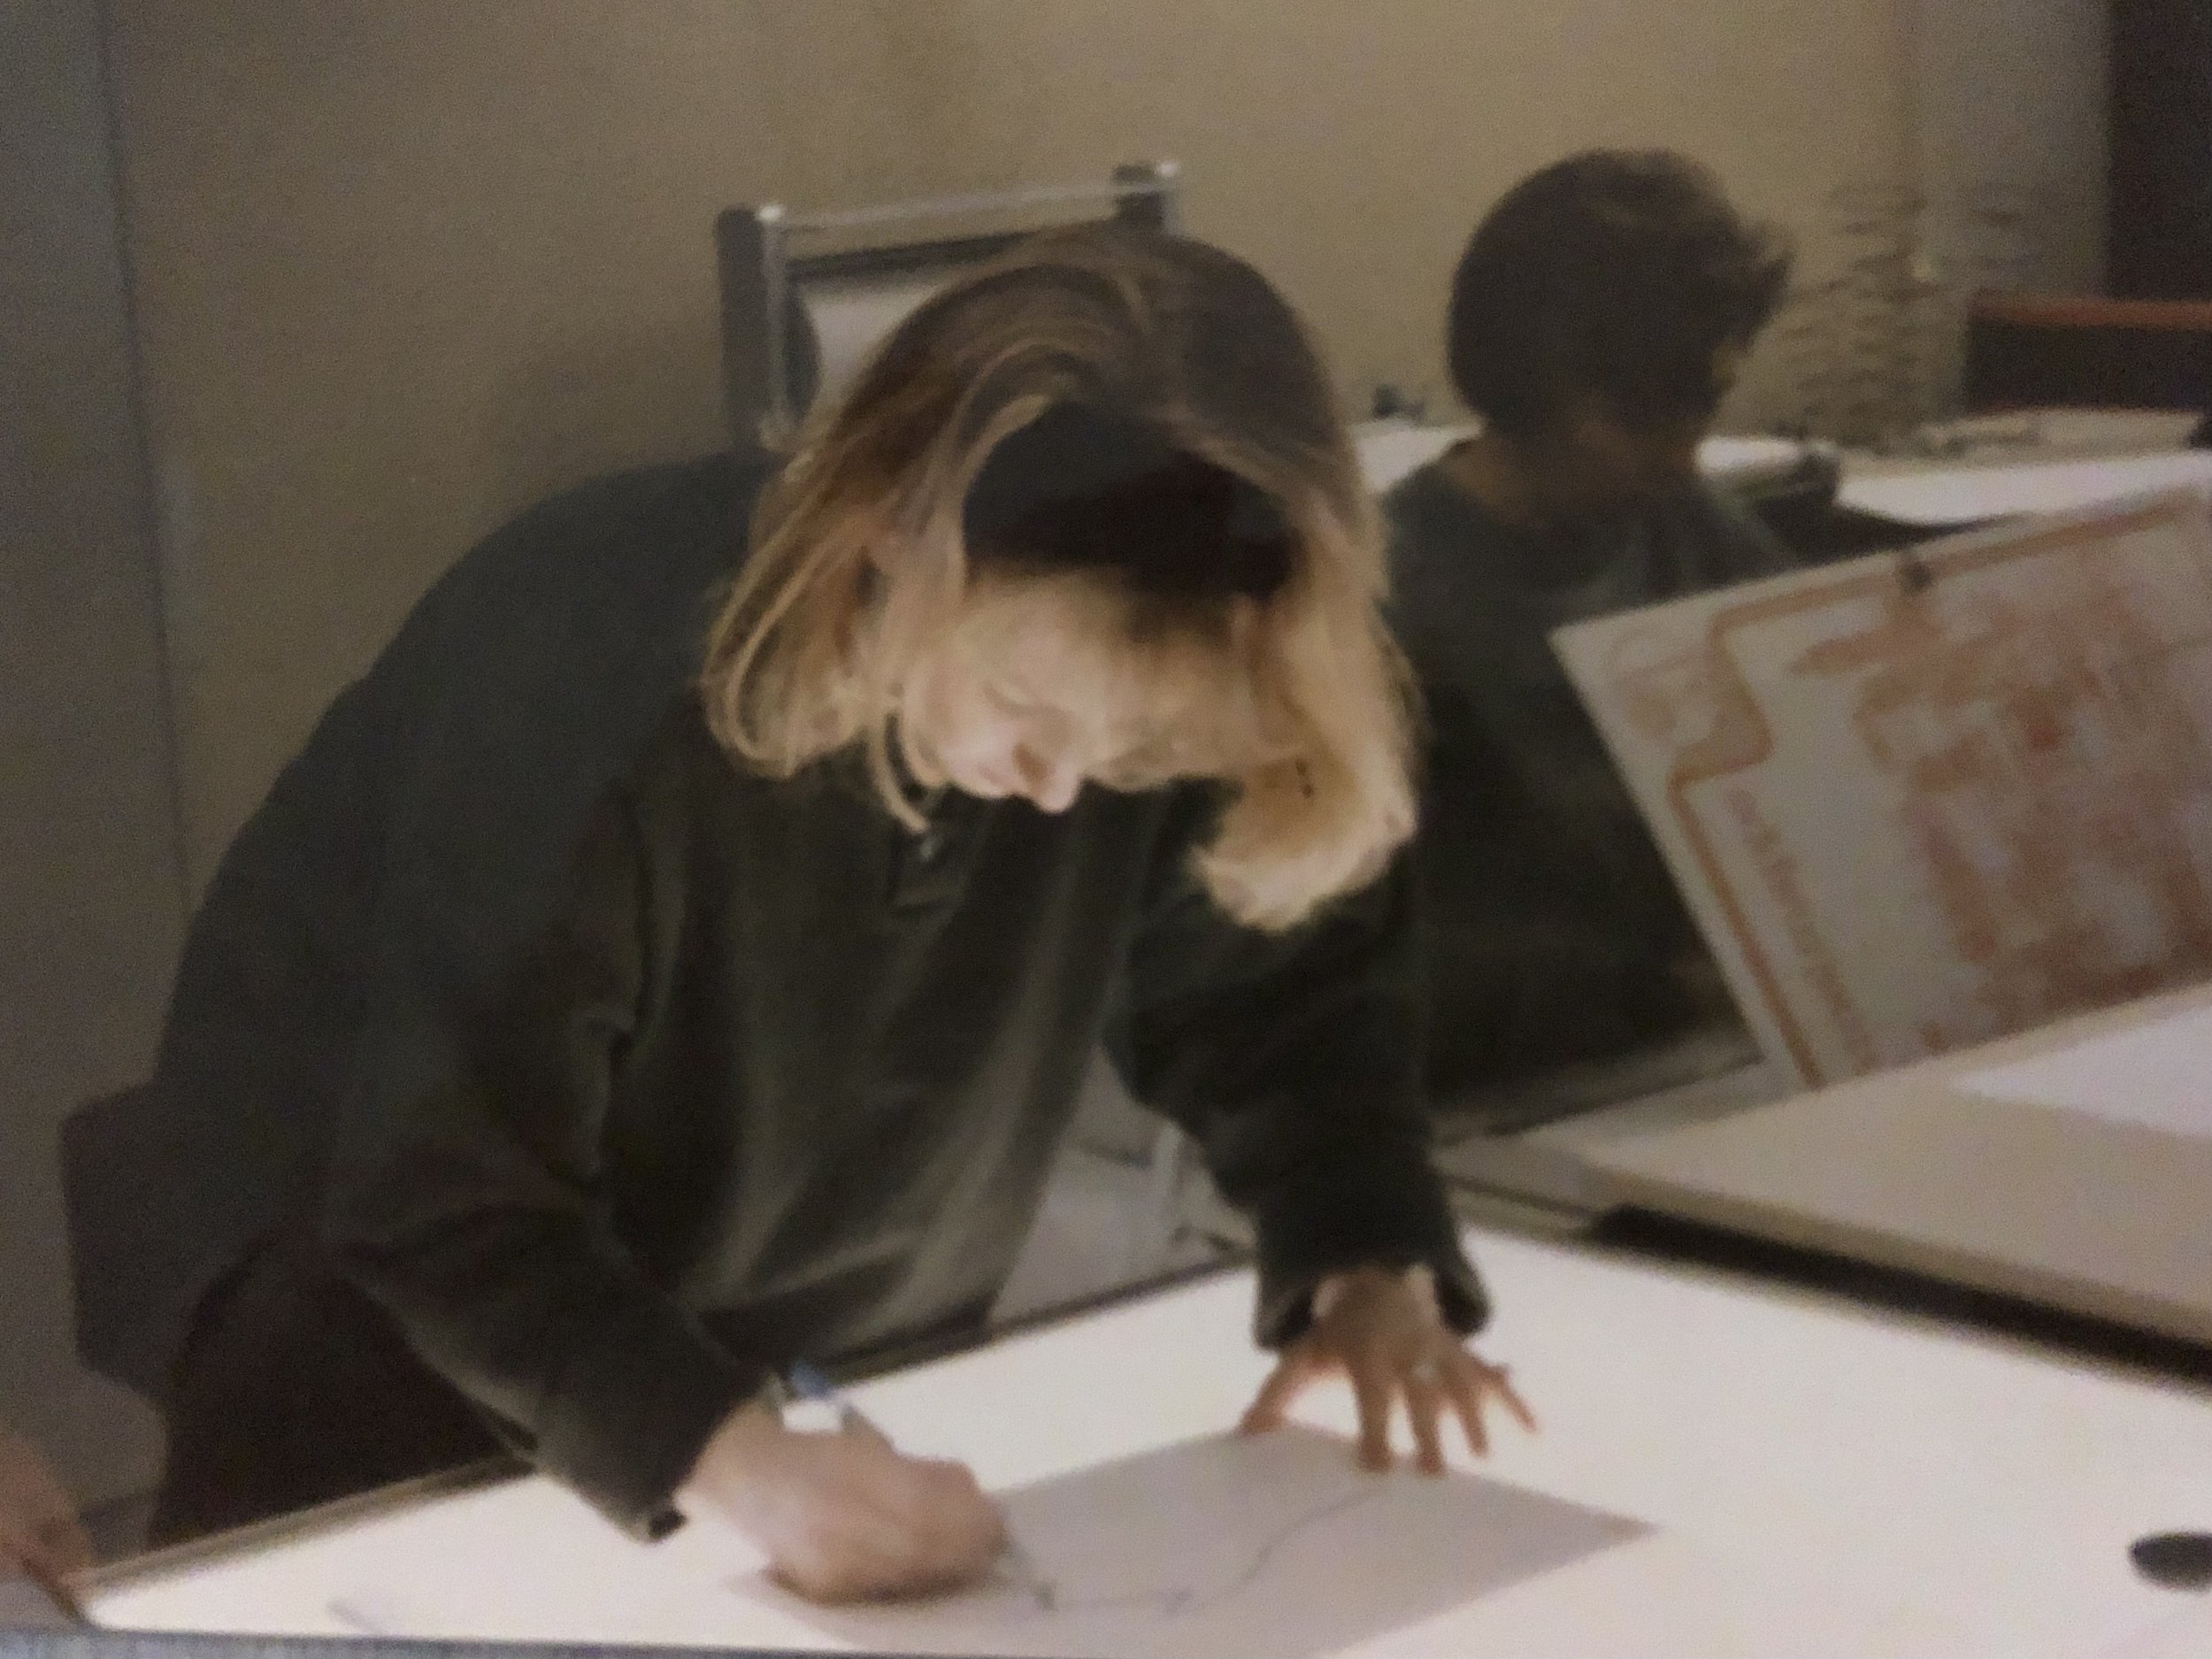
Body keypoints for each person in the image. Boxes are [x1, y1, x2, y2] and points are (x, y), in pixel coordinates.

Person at [158, 223, 1532, 1605]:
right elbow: (439, 1186)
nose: (1062, 795)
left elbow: (1275, 981)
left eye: (1132, 759)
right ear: (882, 543)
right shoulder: (585, 672)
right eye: (1021, 713)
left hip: (801, 1352)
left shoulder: (1157, 623)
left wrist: (1365, 1246)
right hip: (380, 1371)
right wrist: (728, 1457)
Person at [1386, 150, 1797, 1112]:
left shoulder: (1683, 525)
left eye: (1702, 409)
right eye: (1641, 418)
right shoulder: (1390, 608)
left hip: (1705, 1066)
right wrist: (1661, 986)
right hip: (1512, 1114)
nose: (1684, 453)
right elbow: (1380, 979)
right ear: (1538, 388)